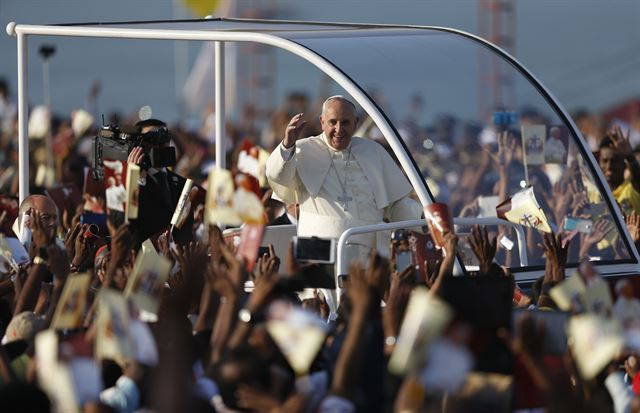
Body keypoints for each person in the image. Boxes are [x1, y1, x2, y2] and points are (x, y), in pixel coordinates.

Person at [265, 95, 421, 258]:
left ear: (355, 123)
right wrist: (287, 146)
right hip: (319, 257)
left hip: (369, 256)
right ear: (322, 122)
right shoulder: (303, 150)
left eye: (345, 122)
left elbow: (395, 205)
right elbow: (276, 175)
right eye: (333, 122)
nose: (339, 129)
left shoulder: (374, 152)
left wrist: (422, 215)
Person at [126, 118, 192, 247]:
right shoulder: (128, 182)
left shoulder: (181, 183)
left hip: (176, 261)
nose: (161, 143)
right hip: (142, 258)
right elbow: (127, 224)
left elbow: (186, 232)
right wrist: (136, 178)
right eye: (152, 137)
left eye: (164, 137)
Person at [598, 126, 640, 214]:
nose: (609, 166)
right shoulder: (594, 194)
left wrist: (630, 157)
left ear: (624, 164)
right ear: (598, 162)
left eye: (614, 161)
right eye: (605, 161)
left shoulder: (632, 190)